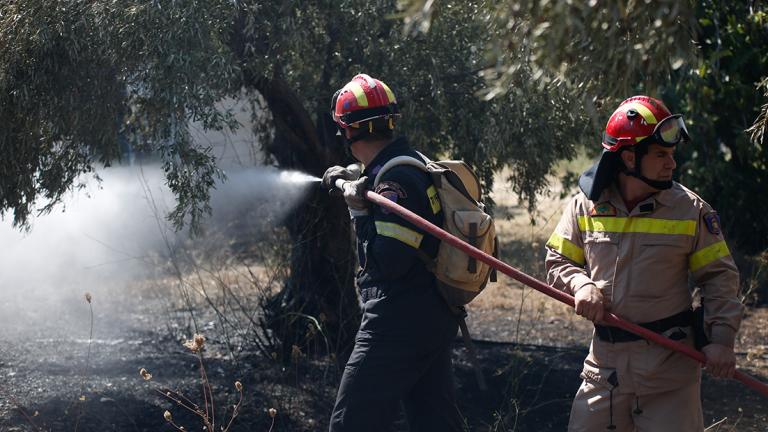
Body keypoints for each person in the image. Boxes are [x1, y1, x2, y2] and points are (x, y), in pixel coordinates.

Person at [545, 96, 744, 431]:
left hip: (670, 375)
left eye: (671, 155)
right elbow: (557, 260)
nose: (672, 164)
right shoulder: (585, 207)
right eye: (661, 155)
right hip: (604, 372)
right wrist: (581, 284)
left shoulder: (691, 211)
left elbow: (719, 278)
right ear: (628, 157)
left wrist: (722, 340)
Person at [322, 73, 463, 432]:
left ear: (349, 131)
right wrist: (354, 176)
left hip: (397, 319)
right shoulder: (405, 164)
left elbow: (388, 262)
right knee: (435, 422)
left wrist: (357, 212)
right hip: (431, 314)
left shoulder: (395, 182)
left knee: (350, 423)